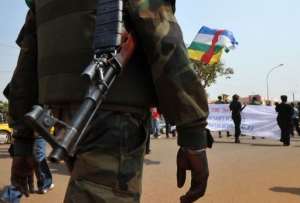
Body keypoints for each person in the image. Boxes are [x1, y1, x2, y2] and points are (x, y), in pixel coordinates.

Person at [5, 1, 210, 203]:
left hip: (64, 116)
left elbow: (27, 63)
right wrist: (193, 135)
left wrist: (23, 141)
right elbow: (165, 41)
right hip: (114, 117)